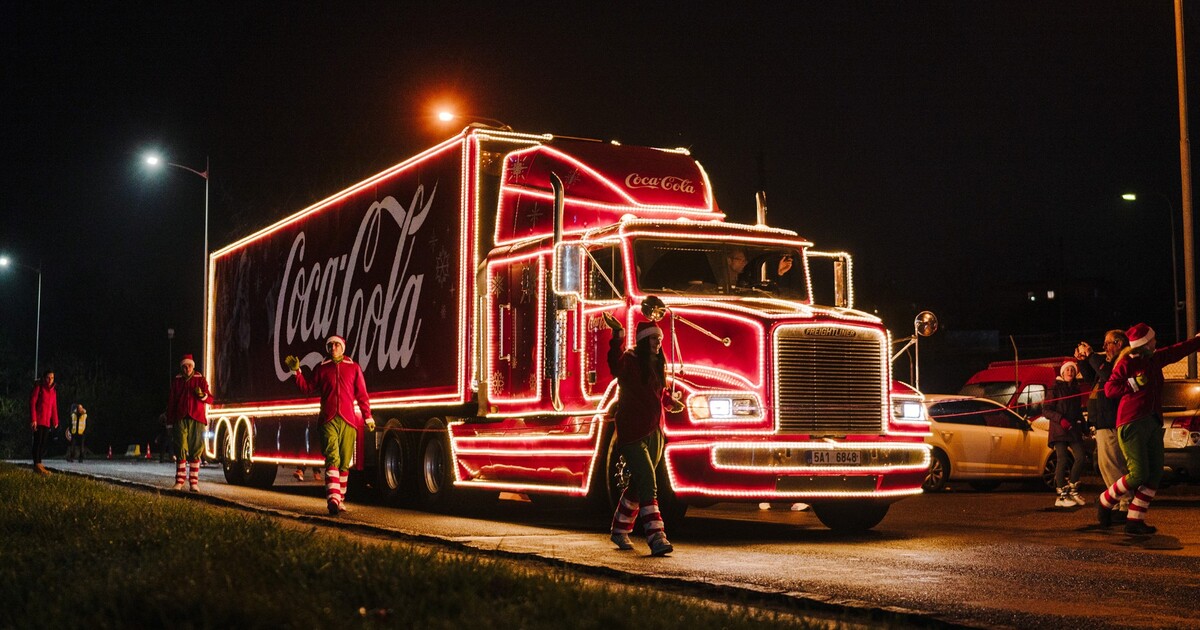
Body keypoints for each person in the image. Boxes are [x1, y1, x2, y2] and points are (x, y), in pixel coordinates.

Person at [1098, 323, 1200, 534]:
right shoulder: (1127, 361)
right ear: (1144, 343)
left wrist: (1197, 341)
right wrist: (1133, 383)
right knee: (1138, 474)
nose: (1156, 342)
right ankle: (1105, 501)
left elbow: (1177, 351)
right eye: (1153, 339)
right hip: (1132, 422)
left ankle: (1135, 520)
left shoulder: (1155, 358)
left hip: (1153, 421)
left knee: (1154, 474)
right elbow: (1110, 389)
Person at [602, 312, 680, 556]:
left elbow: (657, 392)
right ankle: (656, 536)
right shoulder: (630, 360)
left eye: (660, 340)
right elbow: (614, 365)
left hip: (655, 431)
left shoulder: (656, 364)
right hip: (632, 432)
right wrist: (618, 335)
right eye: (654, 340)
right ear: (645, 341)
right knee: (648, 482)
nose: (658, 344)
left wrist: (670, 402)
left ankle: (619, 529)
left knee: (638, 484)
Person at [285, 335, 374, 516]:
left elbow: (362, 394)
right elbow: (307, 388)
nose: (333, 348)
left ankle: (340, 499)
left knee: (344, 462)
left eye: (336, 345)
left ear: (343, 347)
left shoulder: (354, 368)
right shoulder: (322, 368)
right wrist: (297, 372)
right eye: (330, 345)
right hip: (328, 420)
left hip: (348, 421)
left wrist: (368, 417)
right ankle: (333, 498)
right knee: (332, 458)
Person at [1075, 331, 1131, 517]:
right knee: (1105, 465)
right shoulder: (1108, 362)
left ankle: (1125, 502)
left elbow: (1107, 374)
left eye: (1108, 343)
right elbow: (1093, 380)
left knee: (1113, 464)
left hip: (1110, 421)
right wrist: (1083, 361)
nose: (1104, 347)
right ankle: (1115, 501)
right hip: (1101, 422)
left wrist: (1091, 355)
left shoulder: (1121, 361)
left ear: (1119, 343)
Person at [1041, 361, 1088, 507]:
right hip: (1059, 430)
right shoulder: (1055, 387)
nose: (1070, 372)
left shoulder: (1075, 389)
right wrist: (1060, 419)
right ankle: (1061, 496)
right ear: (1062, 372)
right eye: (1067, 369)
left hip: (1073, 430)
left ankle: (1072, 490)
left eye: (1072, 370)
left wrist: (1085, 428)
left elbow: (1078, 411)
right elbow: (1046, 410)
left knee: (1081, 457)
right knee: (1062, 460)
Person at [167, 354, 212, 492]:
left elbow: (210, 398)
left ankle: (193, 482)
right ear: (182, 368)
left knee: (196, 449)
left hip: (197, 418)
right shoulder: (177, 381)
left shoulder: (200, 379)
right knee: (180, 447)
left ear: (193, 366)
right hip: (180, 418)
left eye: (190, 366)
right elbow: (171, 402)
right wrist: (170, 422)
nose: (187, 369)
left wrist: (202, 395)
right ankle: (179, 481)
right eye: (185, 367)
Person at [29, 370, 58, 476]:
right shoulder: (39, 387)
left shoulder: (53, 391)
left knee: (43, 442)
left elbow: (54, 406)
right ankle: (36, 464)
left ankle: (39, 463)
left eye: (52, 378)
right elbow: (33, 402)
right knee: (37, 441)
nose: (50, 380)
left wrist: (55, 420)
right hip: (38, 419)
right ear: (44, 378)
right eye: (48, 378)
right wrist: (33, 419)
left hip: (47, 421)